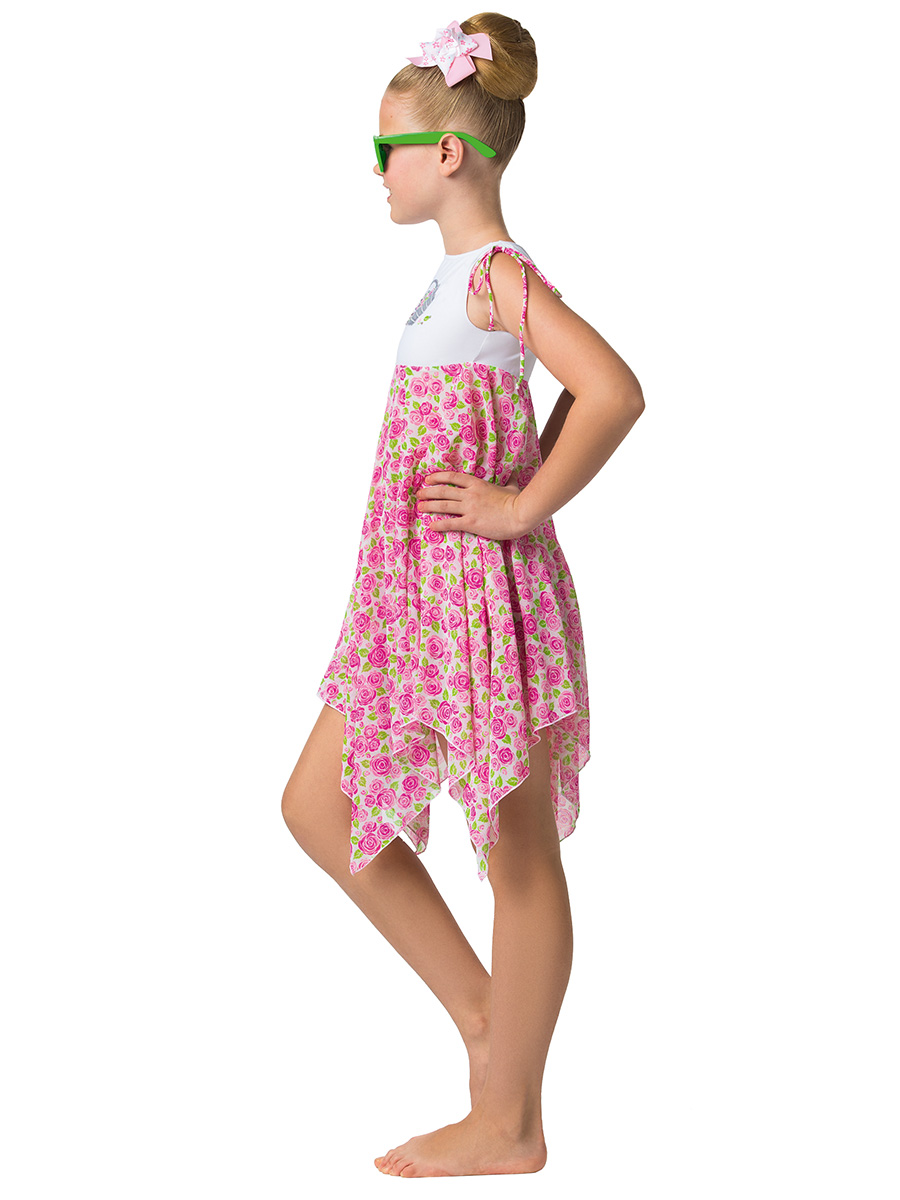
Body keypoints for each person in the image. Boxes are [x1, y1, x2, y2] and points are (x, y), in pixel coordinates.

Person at [281, 13, 644, 1178]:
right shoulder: (453, 281)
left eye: (384, 148)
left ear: (446, 153)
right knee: (318, 807)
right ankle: (493, 1022)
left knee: (517, 849)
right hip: (412, 605)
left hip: (484, 604)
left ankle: (510, 1121)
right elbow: (541, 406)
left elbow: (613, 391)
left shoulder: (496, 278)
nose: (375, 170)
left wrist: (517, 507)